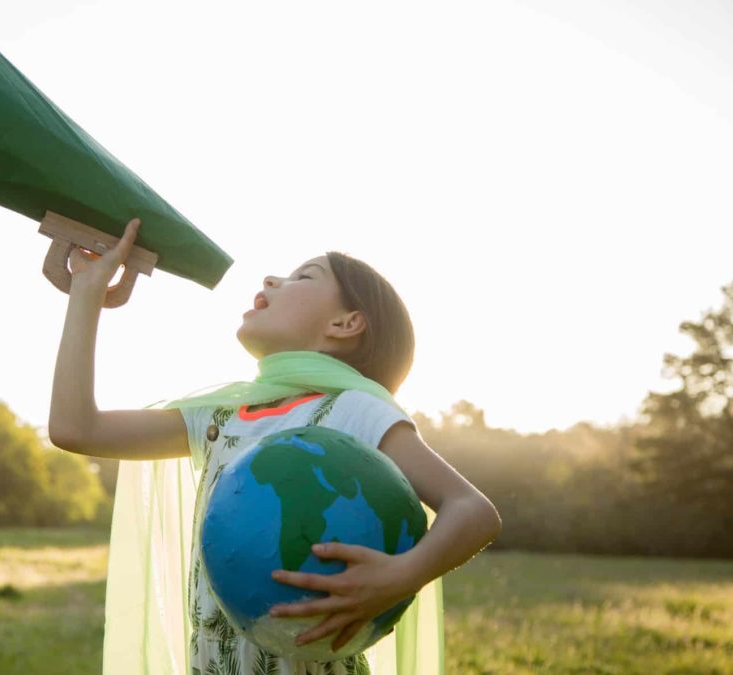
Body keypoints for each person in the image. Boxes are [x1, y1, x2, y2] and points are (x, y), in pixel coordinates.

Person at [49, 217, 503, 675]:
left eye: (303, 276)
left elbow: (472, 509)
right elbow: (76, 428)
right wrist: (87, 291)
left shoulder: (354, 410)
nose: (270, 280)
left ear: (346, 323)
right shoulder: (221, 418)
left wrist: (402, 576)